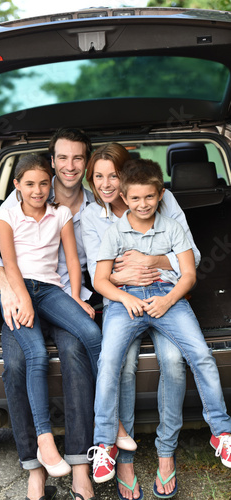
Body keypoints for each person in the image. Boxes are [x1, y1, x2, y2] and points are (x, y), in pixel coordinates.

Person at [0, 128, 137, 500]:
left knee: (78, 354)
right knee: (17, 365)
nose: (70, 165)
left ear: (88, 162)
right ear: (51, 162)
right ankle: (35, 467)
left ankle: (81, 462)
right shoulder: (14, 208)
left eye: (79, 158)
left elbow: (111, 255)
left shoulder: (97, 208)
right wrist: (10, 291)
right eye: (62, 158)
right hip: (22, 295)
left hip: (67, 297)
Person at [90, 158, 231, 497]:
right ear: (124, 197)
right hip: (128, 302)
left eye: (149, 198)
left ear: (160, 194)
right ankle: (105, 442)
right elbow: (99, 281)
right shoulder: (115, 231)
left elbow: (189, 275)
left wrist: (167, 302)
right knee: (109, 360)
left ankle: (221, 431)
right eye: (135, 199)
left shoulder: (172, 227)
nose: (143, 205)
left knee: (200, 354)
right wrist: (124, 298)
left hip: (169, 298)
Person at [0, 152, 102, 477]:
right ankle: (45, 439)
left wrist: (75, 298)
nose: (38, 190)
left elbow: (71, 260)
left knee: (93, 334)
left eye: (43, 183)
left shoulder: (62, 214)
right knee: (36, 355)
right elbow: (9, 263)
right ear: (17, 185)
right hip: (19, 291)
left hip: (51, 290)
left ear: (50, 184)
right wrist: (20, 297)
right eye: (29, 184)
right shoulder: (6, 218)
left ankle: (112, 417)